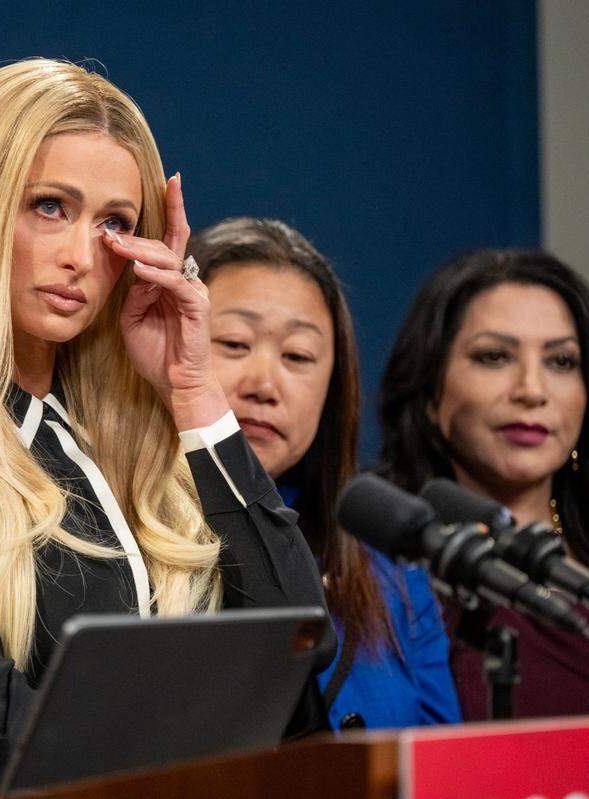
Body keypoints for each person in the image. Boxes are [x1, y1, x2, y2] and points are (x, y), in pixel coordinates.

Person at [0, 59, 333, 790]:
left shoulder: (136, 435)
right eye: (50, 207)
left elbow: (295, 650)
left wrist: (194, 391)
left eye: (115, 224)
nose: (79, 257)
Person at [375, 248, 589, 718]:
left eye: (561, 362)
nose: (531, 391)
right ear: (431, 394)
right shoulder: (379, 582)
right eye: (494, 357)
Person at [189, 217, 460, 731]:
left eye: (298, 356)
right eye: (233, 343)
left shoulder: (394, 582)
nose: (265, 384)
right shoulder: (116, 551)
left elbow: (441, 768)